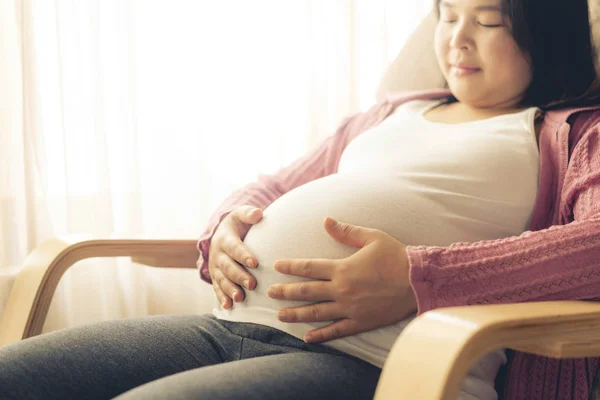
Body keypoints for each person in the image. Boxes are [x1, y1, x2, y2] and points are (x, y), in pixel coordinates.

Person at [2, 0, 600, 399]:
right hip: (228, 327)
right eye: (446, 15)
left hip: (372, 363)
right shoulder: (391, 114)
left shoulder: (569, 132)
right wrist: (227, 228)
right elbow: (271, 186)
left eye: (488, 19)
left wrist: (421, 278)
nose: (457, 39)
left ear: (542, 31)